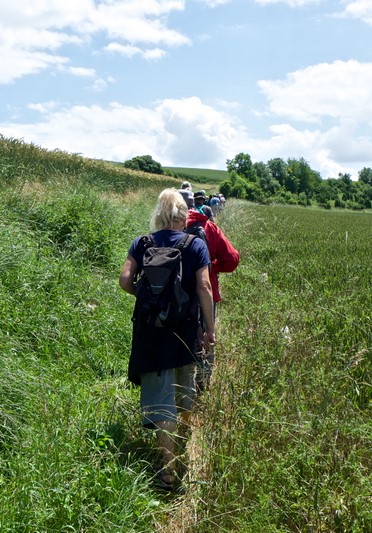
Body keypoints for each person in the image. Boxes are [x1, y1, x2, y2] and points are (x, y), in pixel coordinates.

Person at [119, 188, 215, 491]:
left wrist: (149, 301)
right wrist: (209, 329)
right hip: (184, 331)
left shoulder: (142, 243)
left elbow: (124, 280)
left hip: (150, 332)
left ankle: (167, 470)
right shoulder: (195, 244)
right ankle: (184, 440)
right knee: (183, 389)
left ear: (159, 215)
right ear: (183, 216)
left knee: (161, 401)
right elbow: (204, 287)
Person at [185, 197, 240, 389]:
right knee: (207, 334)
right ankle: (203, 382)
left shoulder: (165, 225)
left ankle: (182, 383)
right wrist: (212, 268)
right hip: (206, 290)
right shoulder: (209, 227)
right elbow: (232, 259)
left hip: (174, 293)